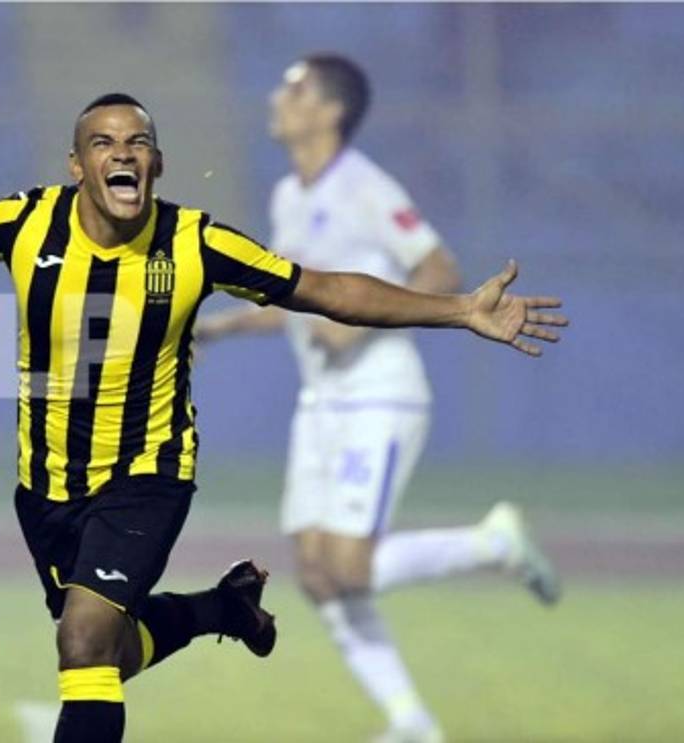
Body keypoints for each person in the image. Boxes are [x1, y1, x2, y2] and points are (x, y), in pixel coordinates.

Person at [0, 92, 567, 743]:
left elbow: (327, 289)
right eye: (103, 143)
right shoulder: (28, 221)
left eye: (137, 144)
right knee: (110, 652)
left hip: (149, 475)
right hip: (44, 486)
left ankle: (204, 614)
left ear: (156, 165)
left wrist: (458, 310)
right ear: (77, 165)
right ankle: (218, 610)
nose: (121, 154)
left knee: (84, 641)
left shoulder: (197, 243)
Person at [194, 56, 564, 743]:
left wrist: (352, 329)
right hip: (320, 404)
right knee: (315, 573)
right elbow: (291, 301)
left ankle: (491, 543)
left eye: (295, 88)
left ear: (330, 111)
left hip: (379, 392)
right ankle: (411, 721)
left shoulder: (364, 186)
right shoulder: (288, 196)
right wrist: (215, 328)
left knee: (350, 567)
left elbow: (438, 266)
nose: (278, 96)